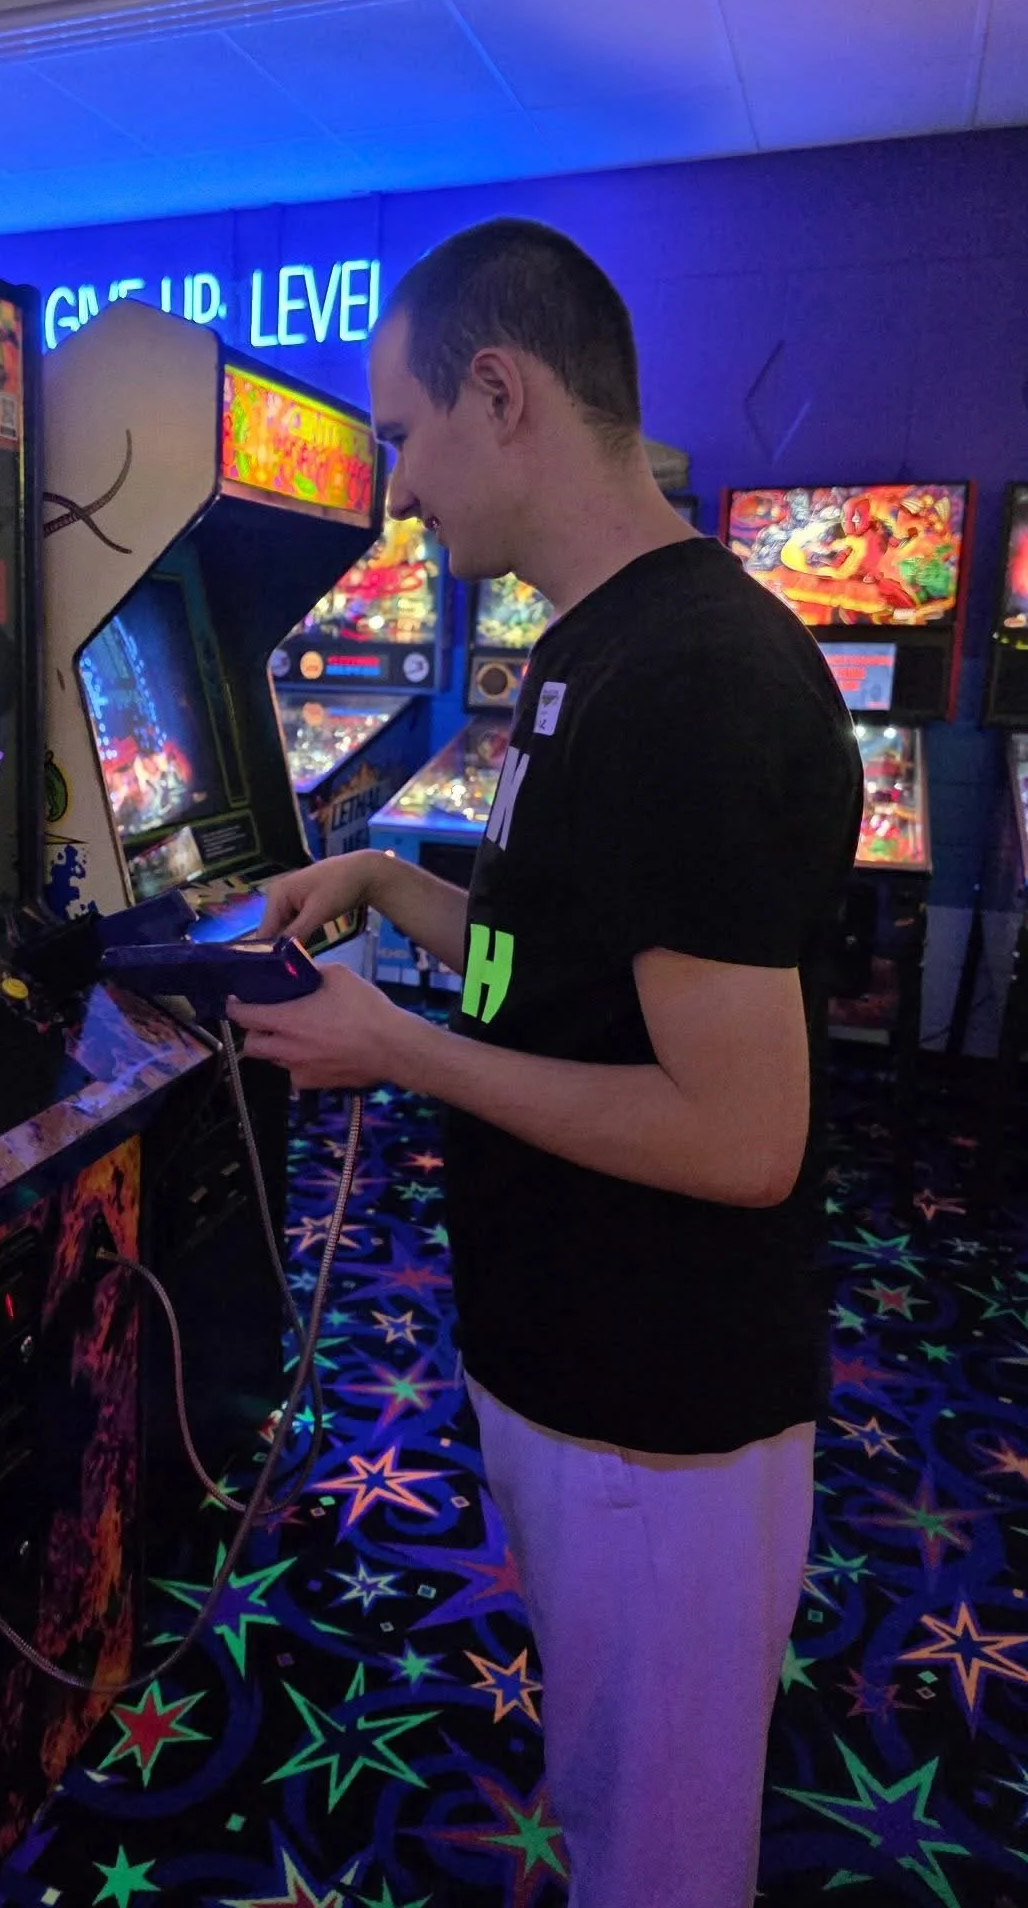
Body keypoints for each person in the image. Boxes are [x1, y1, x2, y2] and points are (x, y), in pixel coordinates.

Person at [228, 219, 861, 1908]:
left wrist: (401, 1055)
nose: (396, 486)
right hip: (572, 1356)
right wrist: (383, 889)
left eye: (402, 433)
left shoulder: (698, 680)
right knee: (598, 1795)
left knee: (654, 1856)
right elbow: (560, 968)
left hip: (663, 1409)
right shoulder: (595, 644)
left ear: (498, 393)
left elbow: (740, 1137)